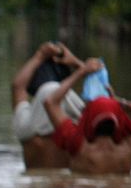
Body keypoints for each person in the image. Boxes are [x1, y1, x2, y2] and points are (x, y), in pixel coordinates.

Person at [43, 58, 131, 175]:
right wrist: (121, 103)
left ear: (88, 118)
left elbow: (50, 102)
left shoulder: (79, 146)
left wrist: (81, 72)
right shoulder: (130, 146)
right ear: (119, 120)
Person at [11, 41, 85, 170]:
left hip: (32, 181)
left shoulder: (25, 124)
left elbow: (18, 87)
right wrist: (79, 66)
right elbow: (107, 103)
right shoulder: (75, 129)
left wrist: (40, 55)